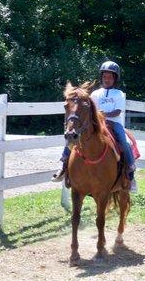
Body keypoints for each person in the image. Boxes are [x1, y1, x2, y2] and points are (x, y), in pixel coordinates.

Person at [52, 60, 138, 191]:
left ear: (115, 79)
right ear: (101, 77)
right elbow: (89, 110)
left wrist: (102, 114)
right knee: (73, 137)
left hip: (114, 123)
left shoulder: (118, 94)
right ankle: (63, 166)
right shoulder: (95, 94)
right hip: (96, 124)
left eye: (110, 77)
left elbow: (117, 111)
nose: (107, 79)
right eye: (104, 76)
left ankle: (130, 170)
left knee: (124, 141)